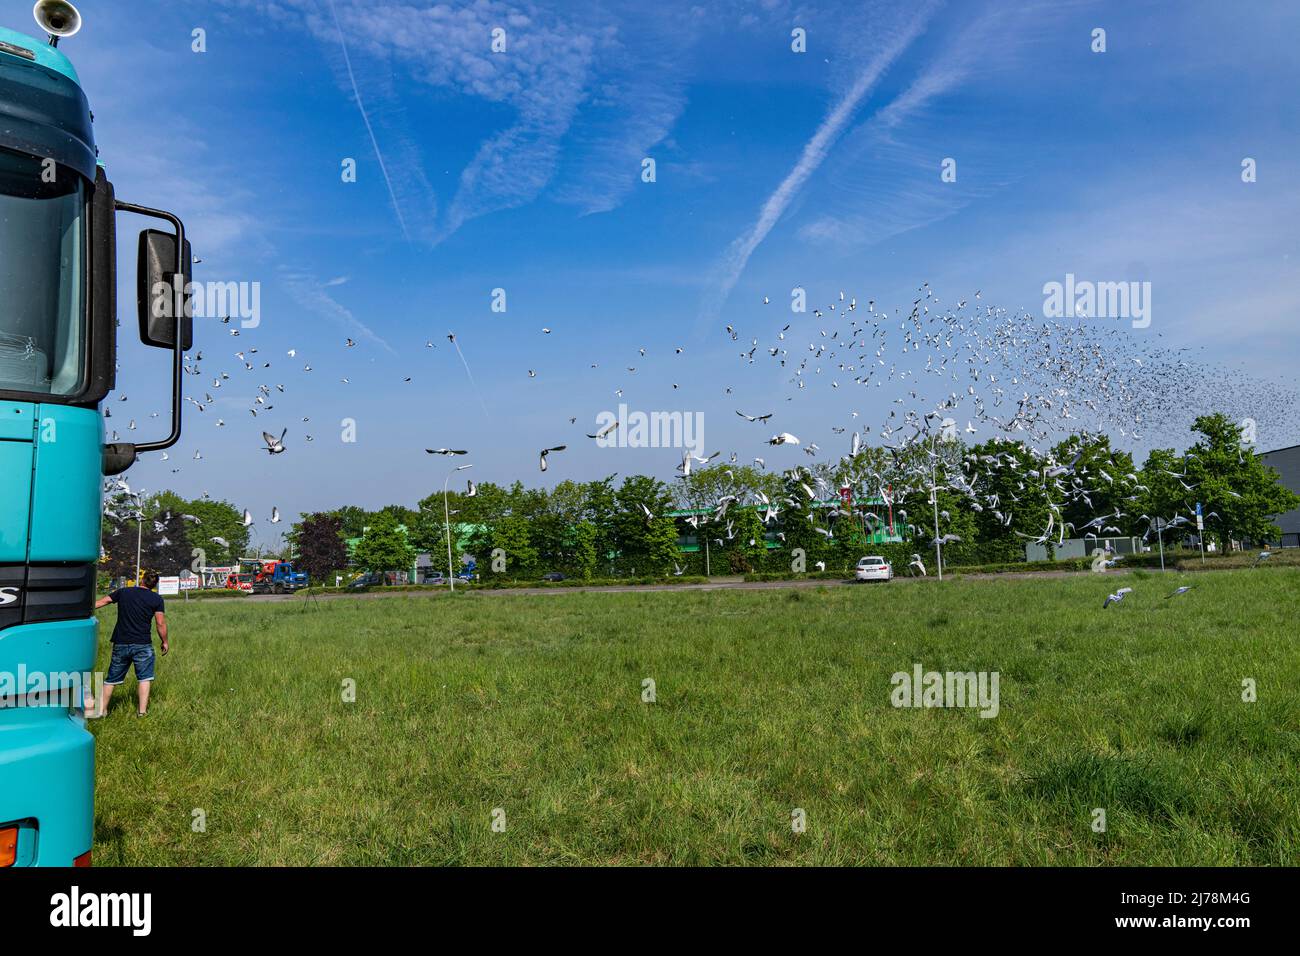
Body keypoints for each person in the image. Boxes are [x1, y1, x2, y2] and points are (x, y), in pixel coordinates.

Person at [90, 570, 169, 718]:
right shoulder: (156, 599)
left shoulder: (124, 592)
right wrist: (165, 641)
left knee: (111, 679)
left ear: (142, 580)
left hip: (121, 642)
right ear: (155, 585)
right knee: (144, 678)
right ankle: (142, 712)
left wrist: (79, 610)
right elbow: (160, 623)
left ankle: (100, 711)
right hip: (143, 644)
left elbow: (102, 602)